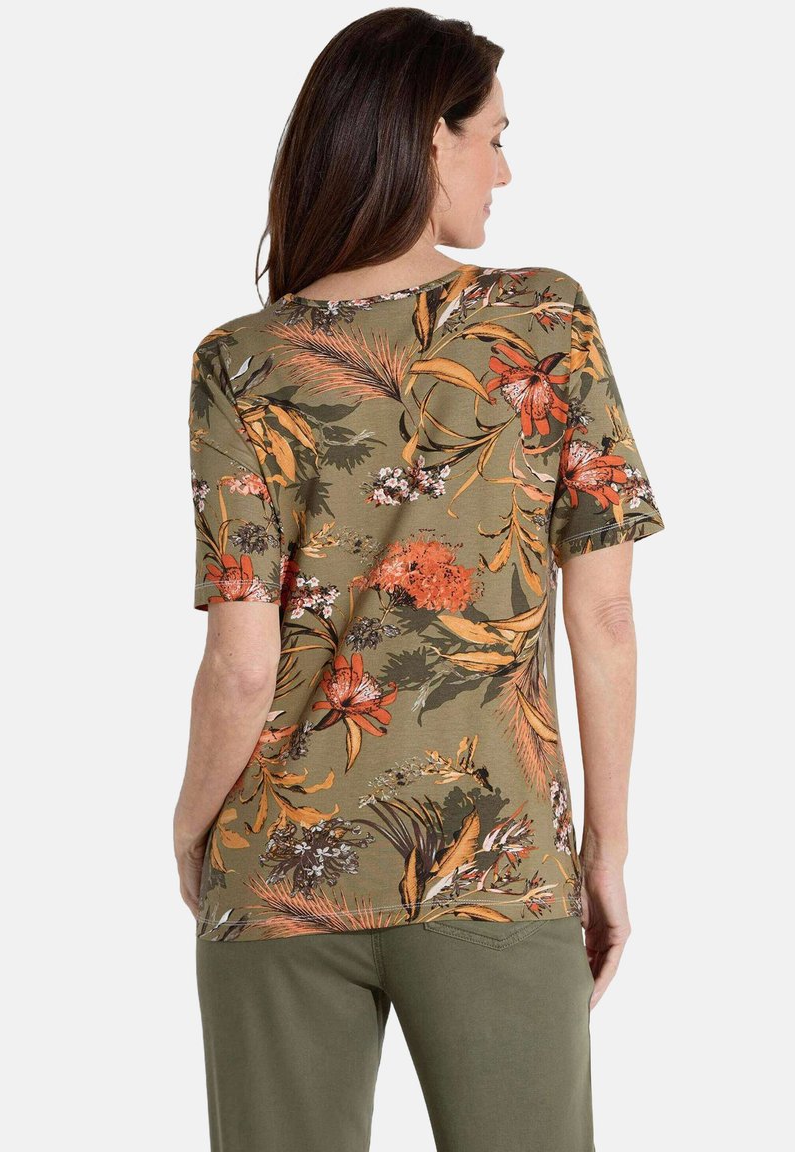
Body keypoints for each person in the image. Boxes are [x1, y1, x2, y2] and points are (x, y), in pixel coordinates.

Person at [174, 9, 665, 1151]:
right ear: (428, 136)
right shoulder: (544, 320)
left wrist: (191, 828)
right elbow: (604, 614)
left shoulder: (240, 361)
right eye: (494, 137)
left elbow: (241, 664)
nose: (505, 170)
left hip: (278, 861)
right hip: (496, 857)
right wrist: (604, 854)